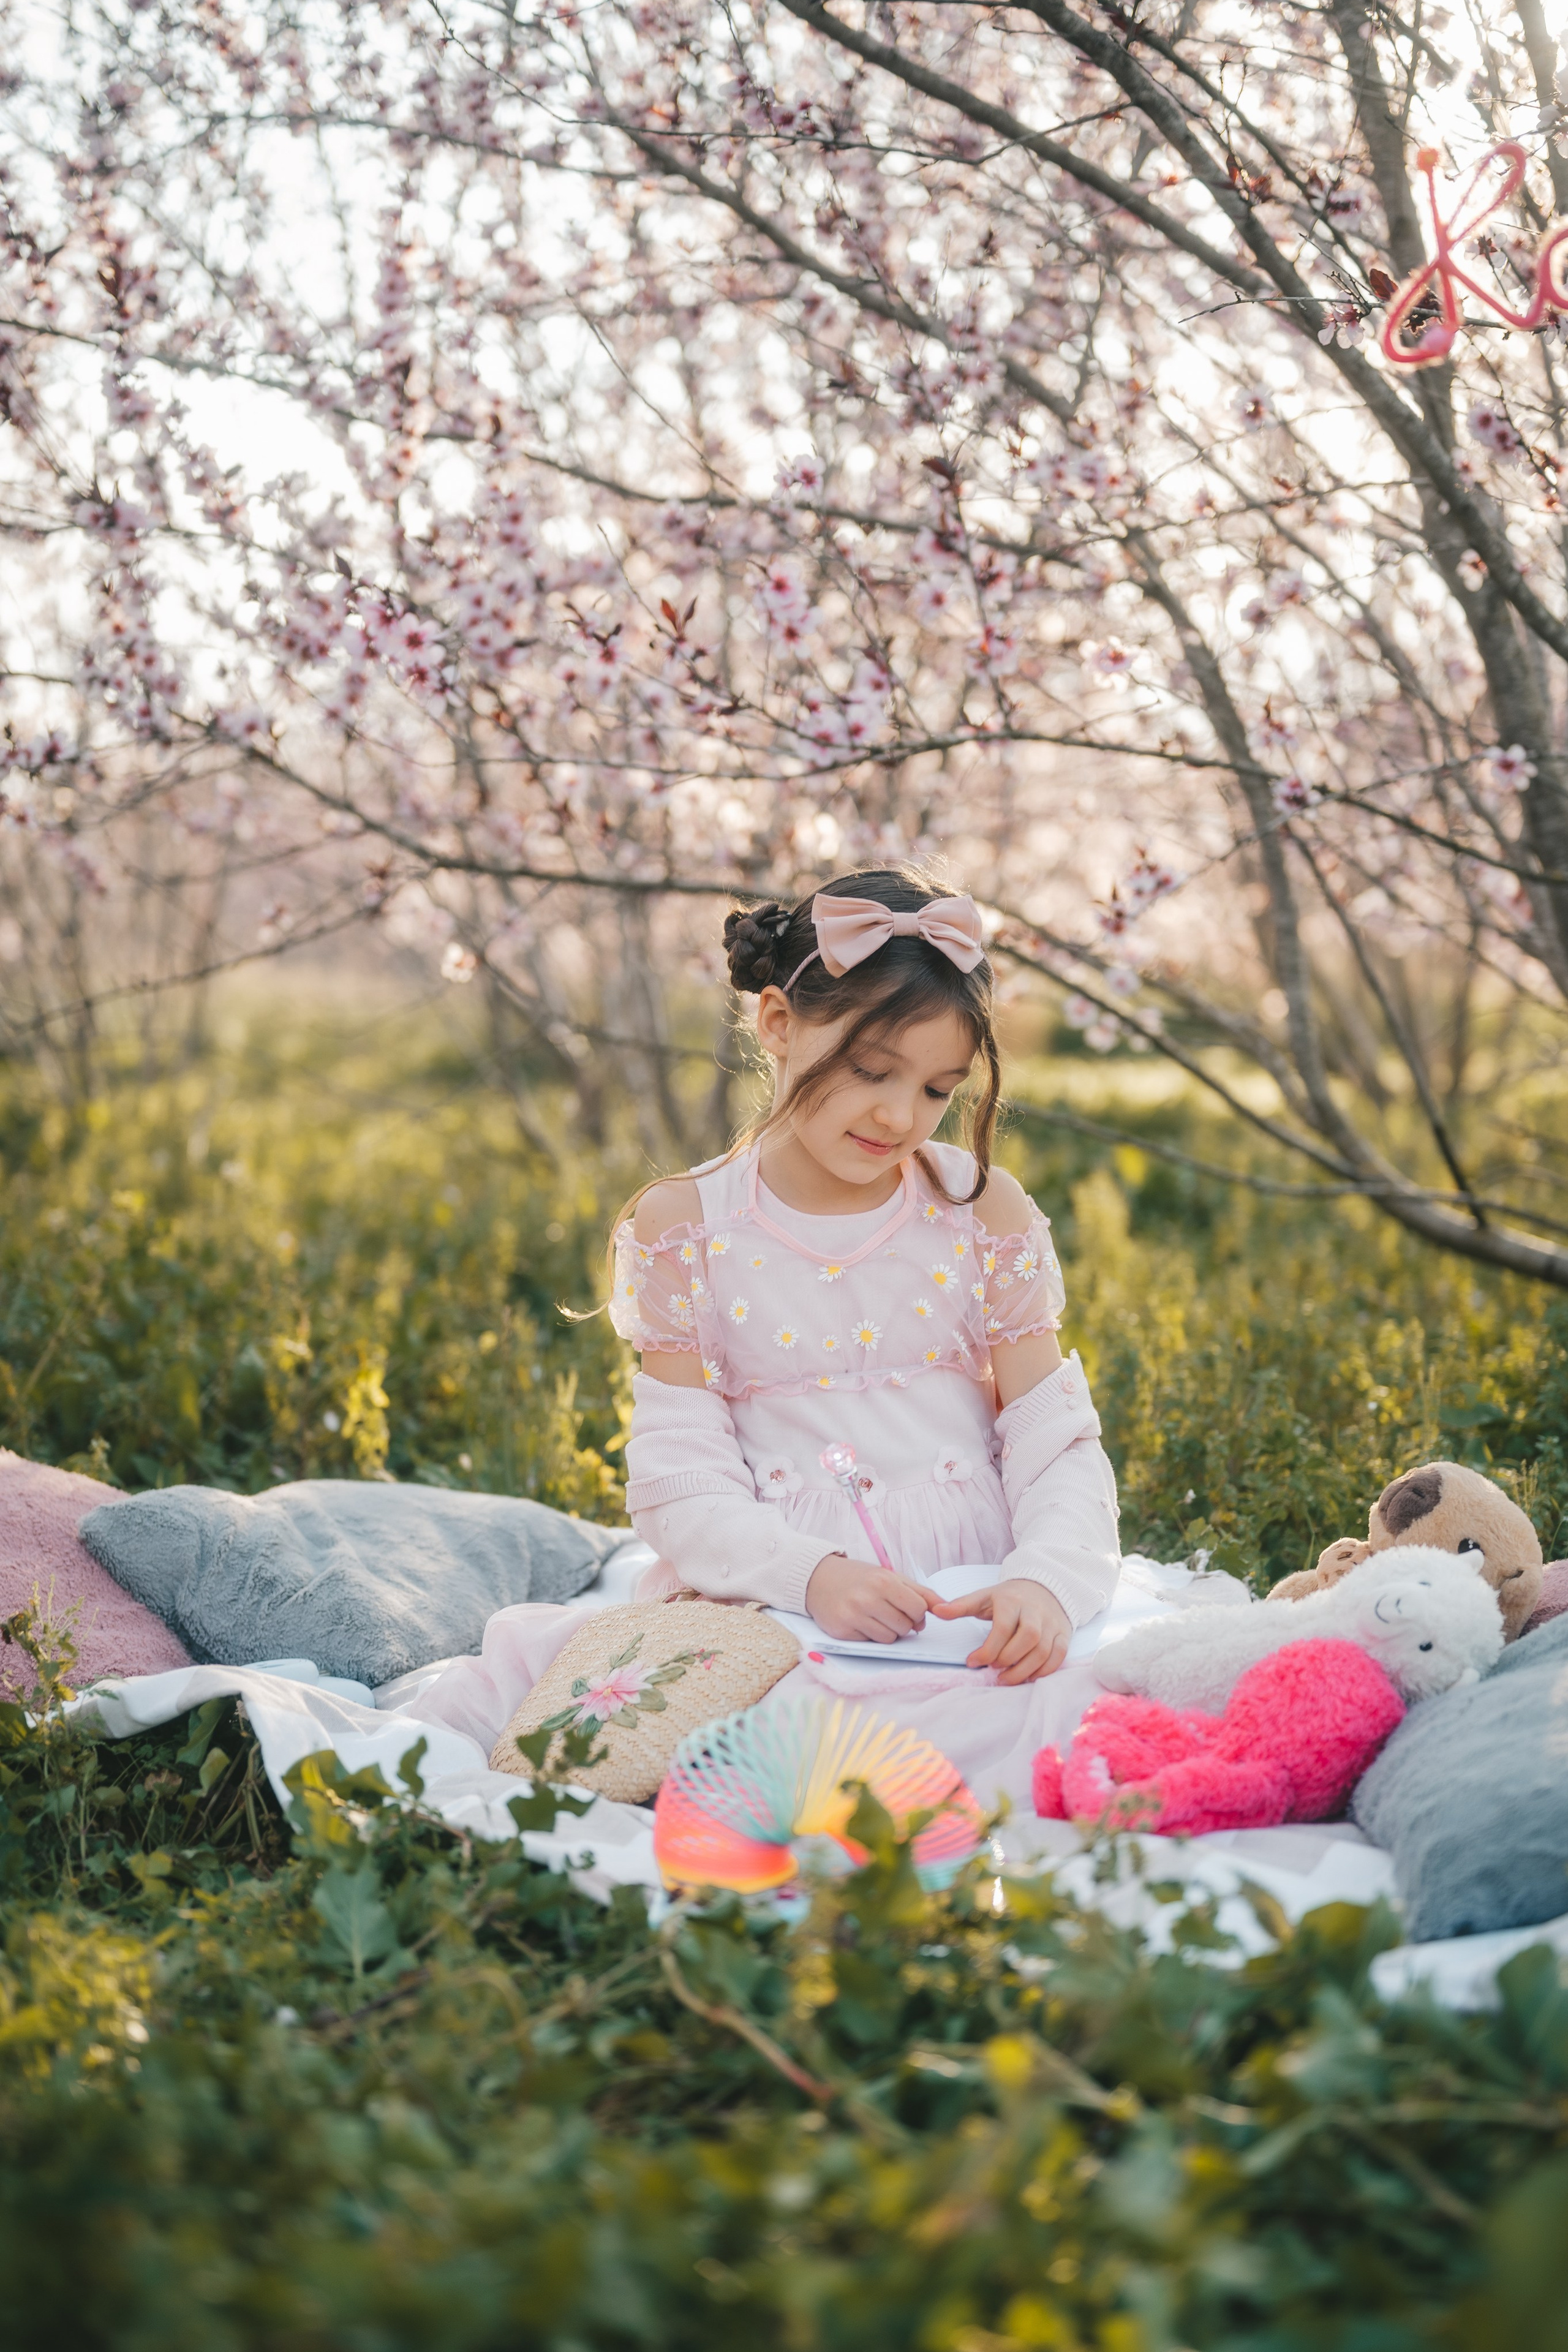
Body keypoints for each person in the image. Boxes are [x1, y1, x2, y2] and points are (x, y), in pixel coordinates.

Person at [612, 867, 1121, 1687]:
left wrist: (1047, 1580)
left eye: (936, 1090)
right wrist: (808, 1577)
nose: (899, 1116)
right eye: (870, 1071)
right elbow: (680, 1475)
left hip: (970, 1600)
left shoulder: (980, 1211)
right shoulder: (684, 1228)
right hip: (767, 1597)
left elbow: (1053, 1441)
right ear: (777, 1021)